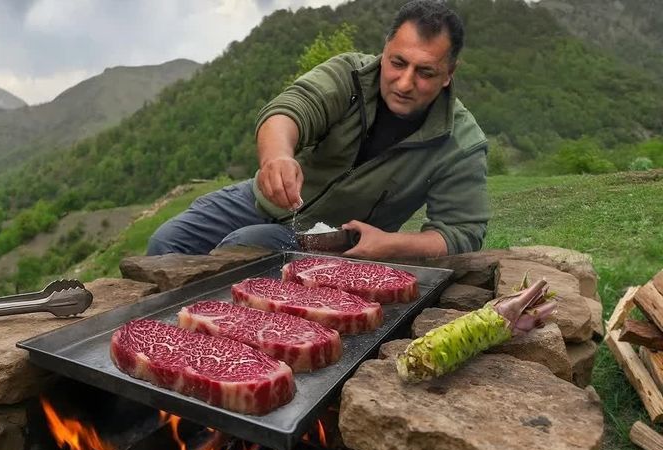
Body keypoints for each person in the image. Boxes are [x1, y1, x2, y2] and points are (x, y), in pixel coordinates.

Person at [147, 0, 490, 260]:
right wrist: (277, 158)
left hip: (330, 238)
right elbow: (290, 109)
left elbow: (462, 232)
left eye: (425, 72)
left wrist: (390, 243)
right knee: (167, 242)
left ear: (449, 73)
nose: (404, 82)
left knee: (241, 251)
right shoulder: (348, 74)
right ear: (385, 52)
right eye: (397, 63)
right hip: (258, 198)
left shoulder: (461, 143)